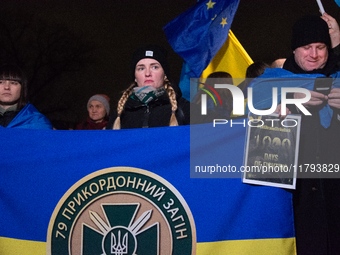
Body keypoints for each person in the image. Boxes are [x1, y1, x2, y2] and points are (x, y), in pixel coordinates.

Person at [268, 14, 340, 254]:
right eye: (306, 47)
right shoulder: (272, 80)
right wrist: (287, 100)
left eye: (320, 47)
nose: (314, 54)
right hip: (295, 199)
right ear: (294, 50)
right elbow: (244, 114)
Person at [106, 45, 190, 129]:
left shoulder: (183, 108)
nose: (147, 73)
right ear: (135, 77)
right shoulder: (120, 113)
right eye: (141, 68)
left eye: (154, 67)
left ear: (164, 75)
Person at [0, 64, 52, 129]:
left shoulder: (38, 123)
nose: (7, 87)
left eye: (13, 83)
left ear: (23, 88)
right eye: (1, 82)